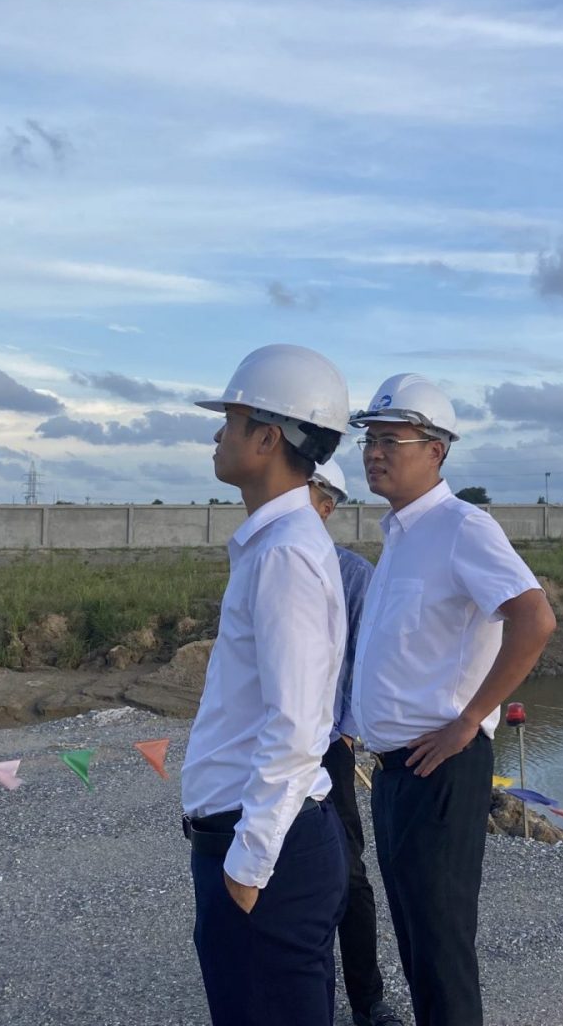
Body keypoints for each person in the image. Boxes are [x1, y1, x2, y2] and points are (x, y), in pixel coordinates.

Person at [348, 373, 557, 1026]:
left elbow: (534, 619)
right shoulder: (402, 535)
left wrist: (470, 720)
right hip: (395, 771)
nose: (374, 453)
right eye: (370, 440)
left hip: (440, 767)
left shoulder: (463, 527)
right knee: (417, 943)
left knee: (441, 950)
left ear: (436, 450)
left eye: (392, 440)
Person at [180, 344, 353, 1026]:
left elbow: (298, 725)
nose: (217, 435)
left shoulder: (285, 554)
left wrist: (248, 867)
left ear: (267, 438)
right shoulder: (277, 544)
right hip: (260, 838)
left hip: (265, 850)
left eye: (230, 420)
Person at [307, 460, 403, 1026]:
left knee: (348, 873)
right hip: (268, 745)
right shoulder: (258, 562)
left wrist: (346, 729)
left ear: (327, 506)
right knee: (271, 865)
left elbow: (364, 661)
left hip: (327, 745)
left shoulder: (353, 575)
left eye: (306, 493)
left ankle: (368, 1001)